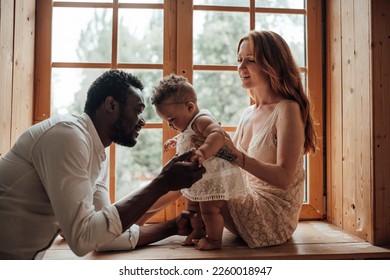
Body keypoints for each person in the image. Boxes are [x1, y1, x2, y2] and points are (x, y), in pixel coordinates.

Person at [0, 69, 205, 260]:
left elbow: (104, 235)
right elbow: (83, 239)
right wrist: (162, 183)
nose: (142, 121)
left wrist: (173, 226)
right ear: (111, 105)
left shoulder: (97, 155)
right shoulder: (67, 136)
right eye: (137, 110)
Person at [141, 30, 318, 249]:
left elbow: (283, 178)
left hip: (272, 215)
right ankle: (132, 220)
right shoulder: (248, 113)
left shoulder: (288, 109)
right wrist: (209, 152)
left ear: (273, 63)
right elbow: (232, 166)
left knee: (199, 174)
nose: (241, 67)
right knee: (194, 168)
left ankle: (130, 223)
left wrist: (231, 154)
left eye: (250, 60)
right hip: (247, 197)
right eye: (239, 60)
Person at [151, 74, 246, 250]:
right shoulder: (189, 122)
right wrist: (177, 139)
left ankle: (215, 239)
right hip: (201, 176)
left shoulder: (202, 119)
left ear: (190, 107)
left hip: (214, 176)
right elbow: (190, 135)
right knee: (193, 206)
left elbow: (217, 134)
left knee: (209, 210)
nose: (170, 125)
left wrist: (203, 151)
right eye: (166, 121)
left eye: (172, 120)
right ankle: (198, 231)